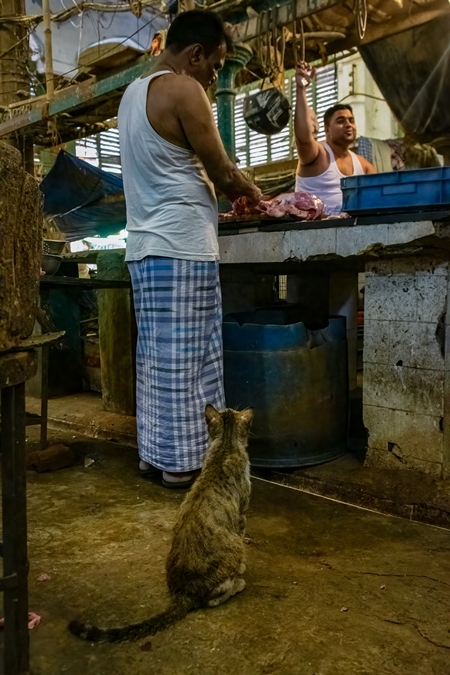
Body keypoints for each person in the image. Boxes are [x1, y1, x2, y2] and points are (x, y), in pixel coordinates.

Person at [118, 10, 262, 488]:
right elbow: (223, 174)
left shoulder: (131, 95)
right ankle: (182, 466)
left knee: (158, 361)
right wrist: (260, 194)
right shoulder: (184, 89)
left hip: (144, 248)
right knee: (192, 360)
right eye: (216, 65)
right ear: (195, 55)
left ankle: (155, 456)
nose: (215, 75)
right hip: (182, 247)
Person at [294, 62, 376, 215]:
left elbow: (380, 193)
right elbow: (303, 138)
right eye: (341, 121)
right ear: (327, 129)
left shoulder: (363, 166)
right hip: (312, 232)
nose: (348, 125)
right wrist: (301, 89)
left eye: (351, 120)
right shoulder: (318, 154)